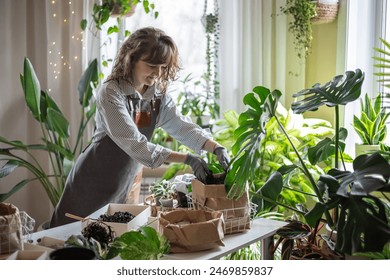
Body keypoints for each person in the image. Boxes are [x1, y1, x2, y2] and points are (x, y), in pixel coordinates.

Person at [50, 27, 230, 228]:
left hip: (123, 184)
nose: (158, 73)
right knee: (71, 244)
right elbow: (136, 144)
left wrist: (216, 147)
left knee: (108, 242)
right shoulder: (111, 92)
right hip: (90, 183)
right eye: (152, 65)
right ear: (131, 59)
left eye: (163, 66)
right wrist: (187, 158)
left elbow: (181, 126)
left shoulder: (157, 98)